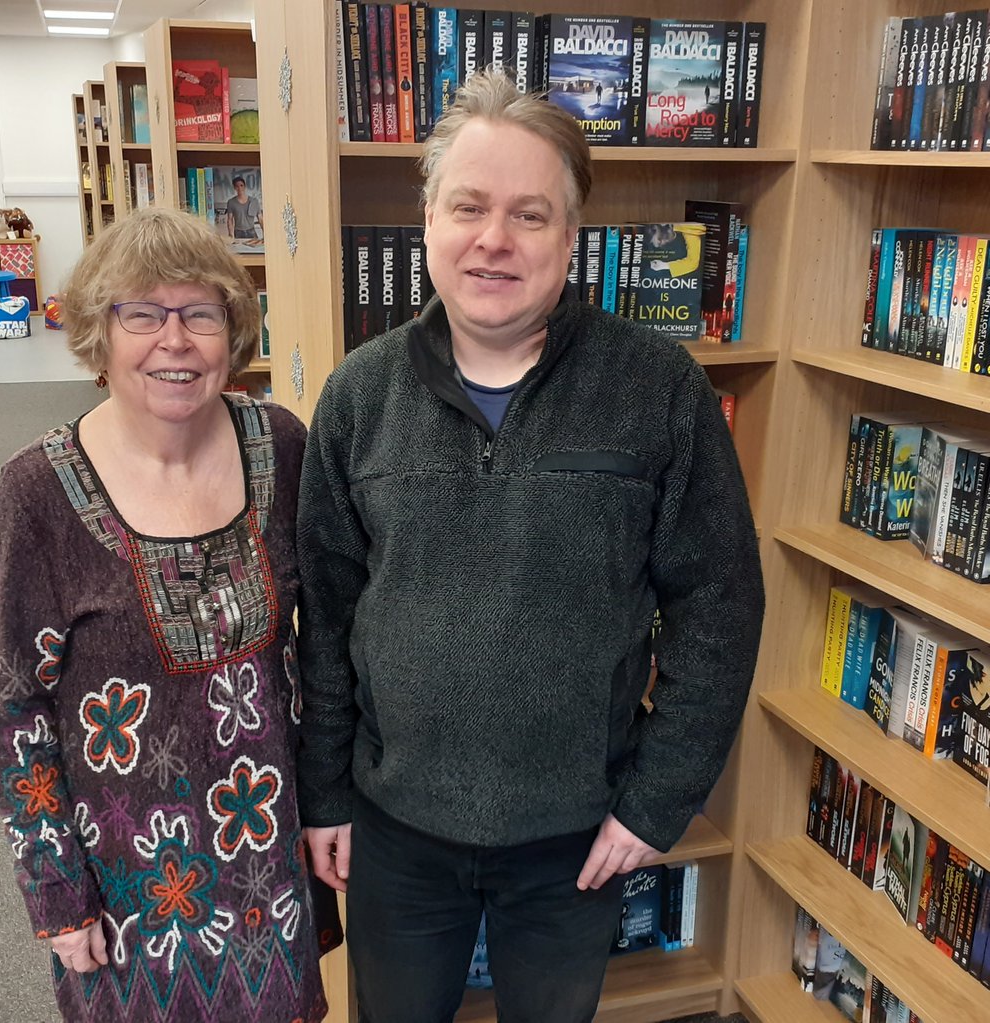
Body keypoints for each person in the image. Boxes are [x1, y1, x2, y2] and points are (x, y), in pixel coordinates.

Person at [295, 69, 763, 1022]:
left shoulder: (659, 391)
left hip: (576, 838)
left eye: (529, 214)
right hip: (395, 828)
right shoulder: (358, 396)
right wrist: (326, 792)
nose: (494, 239)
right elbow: (328, 618)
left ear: (571, 236)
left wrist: (657, 799)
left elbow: (720, 605)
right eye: (468, 206)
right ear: (429, 221)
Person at [0, 207, 338, 1022]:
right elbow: (10, 708)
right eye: (141, 313)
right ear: (99, 334)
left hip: (267, 868)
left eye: (201, 313)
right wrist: (56, 891)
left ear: (232, 332)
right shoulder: (36, 494)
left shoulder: (282, 446)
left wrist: (328, 801)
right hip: (128, 888)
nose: (174, 340)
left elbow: (322, 647)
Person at [225, 175, 263, 245]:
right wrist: (231, 235)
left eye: (241, 185)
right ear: (234, 188)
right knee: (239, 250)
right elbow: (230, 220)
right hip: (238, 232)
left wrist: (265, 234)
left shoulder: (254, 201)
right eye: (237, 186)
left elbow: (260, 218)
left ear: (245, 186)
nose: (239, 188)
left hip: (251, 231)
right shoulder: (231, 202)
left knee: (255, 250)